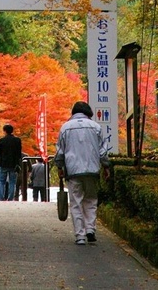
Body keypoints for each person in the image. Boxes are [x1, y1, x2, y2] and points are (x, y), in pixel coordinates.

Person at [54, 100, 110, 245]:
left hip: (73, 171)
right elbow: (102, 151)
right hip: (92, 170)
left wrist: (60, 167)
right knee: (91, 200)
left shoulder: (65, 128)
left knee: (76, 202)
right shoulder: (96, 127)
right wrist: (106, 166)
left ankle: (80, 235)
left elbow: (60, 152)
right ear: (88, 113)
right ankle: (90, 229)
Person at [0, 124, 22, 201]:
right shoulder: (17, 140)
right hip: (13, 164)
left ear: (5, 131)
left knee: (1, 181)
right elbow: (18, 153)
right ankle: (10, 198)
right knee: (12, 182)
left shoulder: (2, 140)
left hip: (3, 163)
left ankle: (1, 197)